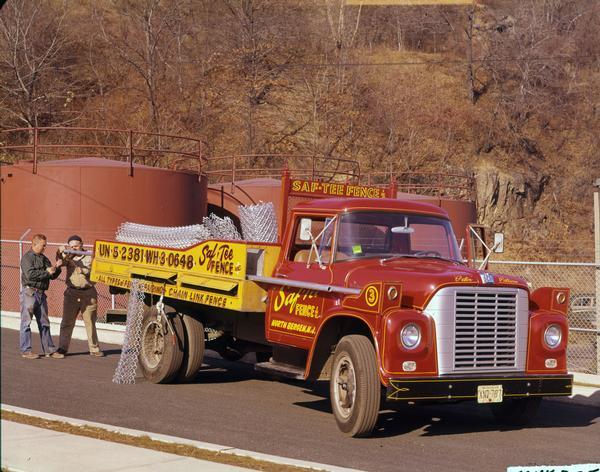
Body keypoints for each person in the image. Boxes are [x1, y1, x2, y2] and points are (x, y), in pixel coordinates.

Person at [57, 235, 104, 357]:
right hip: (71, 293)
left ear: (82, 244)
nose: (73, 248)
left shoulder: (90, 256)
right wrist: (59, 251)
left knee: (90, 322)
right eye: (71, 246)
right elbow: (60, 262)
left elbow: (96, 273)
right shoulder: (68, 256)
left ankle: (94, 349)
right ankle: (62, 348)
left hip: (88, 292)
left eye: (76, 246)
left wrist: (83, 271)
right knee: (67, 322)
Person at [20, 234, 64, 359]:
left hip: (41, 294)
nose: (45, 247)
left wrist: (57, 268)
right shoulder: (27, 258)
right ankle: (26, 351)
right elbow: (29, 275)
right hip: (29, 293)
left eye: (45, 245)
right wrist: (46, 272)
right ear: (34, 244)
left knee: (44, 323)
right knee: (26, 323)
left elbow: (52, 276)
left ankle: (49, 350)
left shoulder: (44, 258)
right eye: (43, 245)